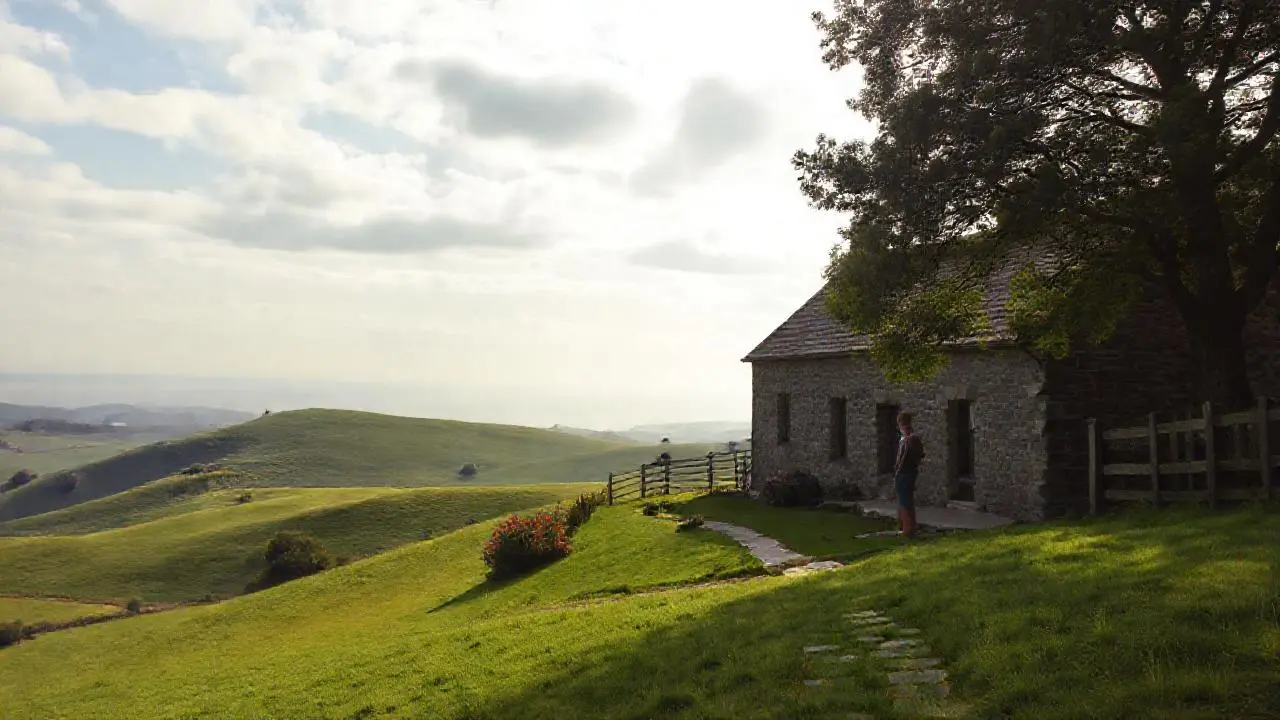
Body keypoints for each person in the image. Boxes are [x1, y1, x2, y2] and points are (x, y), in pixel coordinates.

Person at [893, 411, 925, 537]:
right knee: (906, 500)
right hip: (908, 473)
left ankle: (908, 528)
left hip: (905, 473)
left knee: (905, 501)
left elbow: (903, 460)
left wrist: (897, 472)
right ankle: (909, 526)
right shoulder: (910, 439)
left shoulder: (909, 440)